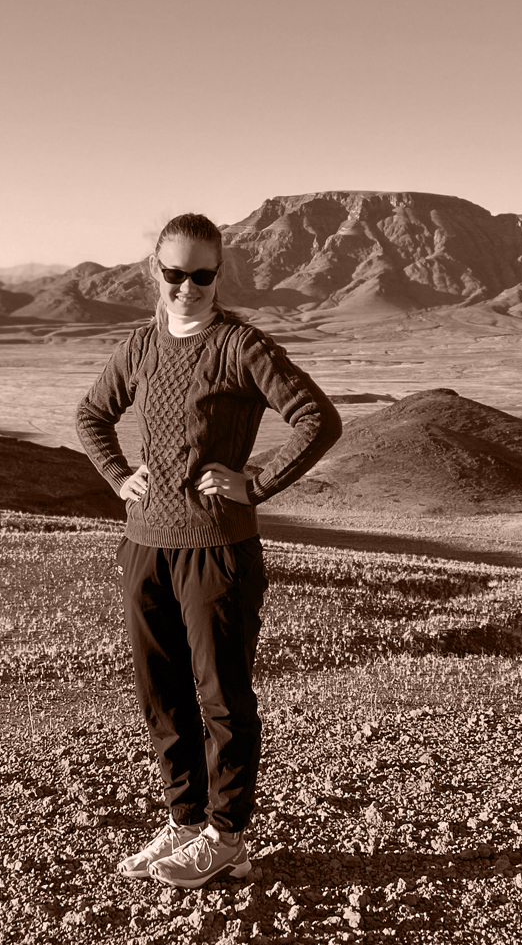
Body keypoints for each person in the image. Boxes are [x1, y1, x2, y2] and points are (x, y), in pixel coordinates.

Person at [75, 212, 341, 888]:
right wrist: (118, 475)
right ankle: (185, 821)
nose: (187, 287)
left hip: (217, 549)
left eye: (202, 275)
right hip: (145, 545)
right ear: (156, 271)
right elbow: (92, 414)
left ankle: (227, 835)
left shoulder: (240, 346)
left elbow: (317, 418)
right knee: (161, 693)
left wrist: (256, 484)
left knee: (222, 697)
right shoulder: (141, 346)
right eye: (175, 273)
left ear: (219, 275)